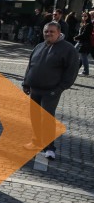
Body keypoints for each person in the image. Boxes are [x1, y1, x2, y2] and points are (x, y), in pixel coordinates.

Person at [22, 21, 79, 160]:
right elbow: (31, 65)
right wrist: (26, 83)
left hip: (51, 90)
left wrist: (60, 88)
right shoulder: (39, 46)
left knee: (47, 119)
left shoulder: (68, 49)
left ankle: (50, 148)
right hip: (35, 88)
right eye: (46, 31)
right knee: (35, 117)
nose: (48, 34)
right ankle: (36, 142)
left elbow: (71, 71)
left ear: (59, 32)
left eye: (51, 31)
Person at [75, 10, 93, 75]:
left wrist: (76, 37)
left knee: (83, 56)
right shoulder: (84, 23)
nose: (83, 17)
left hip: (85, 42)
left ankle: (86, 71)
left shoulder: (89, 24)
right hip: (81, 41)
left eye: (85, 16)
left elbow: (85, 34)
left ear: (88, 17)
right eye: (82, 16)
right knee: (80, 55)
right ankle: (76, 69)